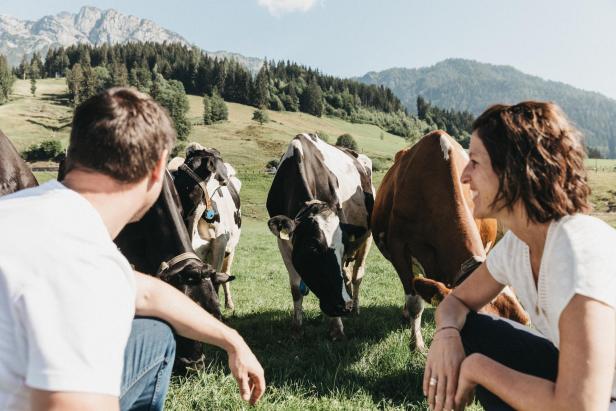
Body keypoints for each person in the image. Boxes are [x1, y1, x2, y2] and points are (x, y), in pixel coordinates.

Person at [0, 87, 265, 410]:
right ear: (157, 174)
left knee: (155, 335)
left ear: (74, 156)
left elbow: (146, 293)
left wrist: (232, 340)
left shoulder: (21, 211)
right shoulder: (84, 261)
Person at [423, 101, 616, 411]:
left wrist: (478, 369)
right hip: (591, 388)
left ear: (512, 169)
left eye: (474, 161)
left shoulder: (578, 252)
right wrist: (446, 333)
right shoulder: (518, 246)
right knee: (471, 328)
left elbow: (581, 408)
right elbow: (456, 302)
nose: (464, 176)